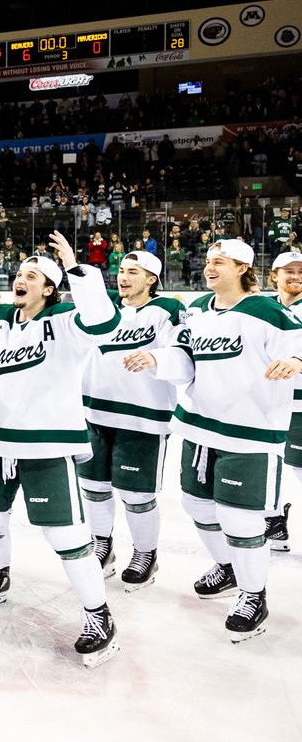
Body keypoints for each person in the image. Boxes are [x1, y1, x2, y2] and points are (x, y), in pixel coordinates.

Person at [0, 231, 122, 668]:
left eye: (33, 276)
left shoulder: (67, 322)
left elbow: (104, 322)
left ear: (50, 288)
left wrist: (78, 267)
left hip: (47, 448)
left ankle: (98, 614)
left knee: (68, 537)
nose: (22, 279)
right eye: (20, 273)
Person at [125, 239, 302, 642]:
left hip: (250, 432)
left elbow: (298, 344)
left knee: (240, 518)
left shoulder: (266, 310)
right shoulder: (197, 310)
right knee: (197, 504)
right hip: (200, 424)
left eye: (219, 262)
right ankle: (228, 567)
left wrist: (296, 361)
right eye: (207, 260)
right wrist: (157, 359)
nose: (209, 267)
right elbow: (184, 356)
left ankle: (253, 595)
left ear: (242, 268)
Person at [78, 251, 185, 592]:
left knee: (136, 495)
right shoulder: (105, 307)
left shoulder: (167, 310)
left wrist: (155, 356)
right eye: (121, 270)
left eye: (133, 272)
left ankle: (145, 553)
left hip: (143, 418)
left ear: (151, 279)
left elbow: (183, 351)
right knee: (94, 488)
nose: (123, 277)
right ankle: (101, 545)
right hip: (95, 412)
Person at [263, 251, 302, 550]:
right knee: (266, 463)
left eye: (300, 270)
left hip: (301, 405)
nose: (296, 275)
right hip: (267, 401)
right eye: (287, 270)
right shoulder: (262, 308)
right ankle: (274, 520)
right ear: (273, 276)